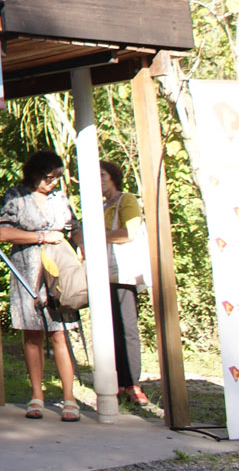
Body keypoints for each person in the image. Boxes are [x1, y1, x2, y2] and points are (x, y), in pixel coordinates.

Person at [0, 150, 80, 422]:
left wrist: (81, 251)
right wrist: (41, 237)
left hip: (59, 273)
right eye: (48, 177)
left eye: (57, 177)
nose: (53, 182)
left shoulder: (60, 198)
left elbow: (74, 226)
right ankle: (37, 396)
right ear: (34, 173)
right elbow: (3, 232)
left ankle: (69, 398)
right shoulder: (16, 196)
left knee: (60, 334)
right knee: (33, 335)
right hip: (28, 271)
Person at [101, 159, 149, 405]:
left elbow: (129, 233)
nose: (99, 181)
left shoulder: (126, 200)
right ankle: (118, 381)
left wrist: (98, 235)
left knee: (127, 327)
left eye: (103, 176)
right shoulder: (100, 205)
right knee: (111, 329)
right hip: (103, 273)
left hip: (123, 272)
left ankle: (134, 383)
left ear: (113, 177)